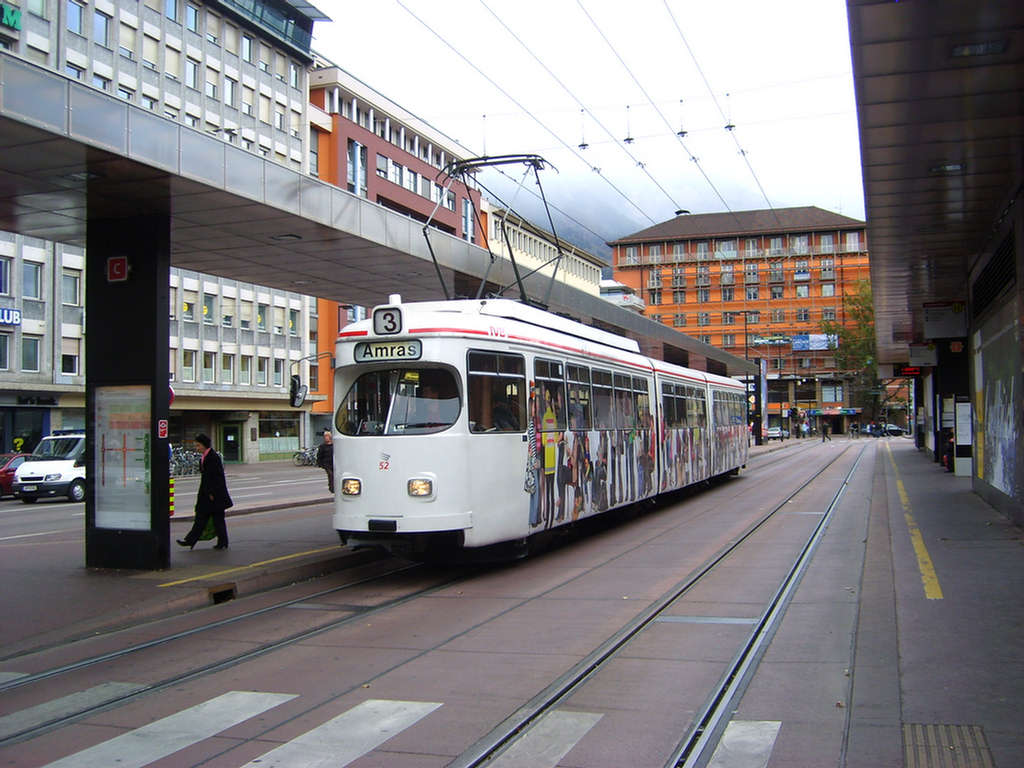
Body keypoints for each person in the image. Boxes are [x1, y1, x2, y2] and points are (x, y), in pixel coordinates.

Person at [177, 433, 232, 550]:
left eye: (198, 445)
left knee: (215, 519)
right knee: (202, 519)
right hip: (206, 494)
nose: (197, 448)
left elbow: (216, 478)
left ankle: (222, 542)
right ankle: (191, 540)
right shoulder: (205, 457)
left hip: (213, 495)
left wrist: (212, 493)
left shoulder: (213, 457)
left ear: (204, 445)